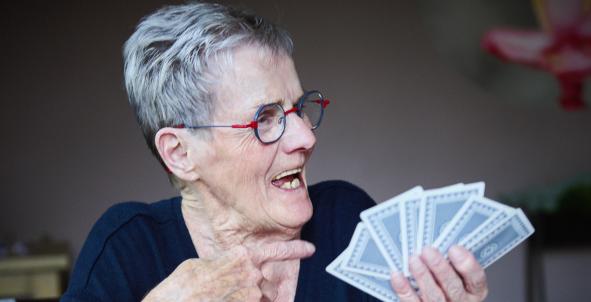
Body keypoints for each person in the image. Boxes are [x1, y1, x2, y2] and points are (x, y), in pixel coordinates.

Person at [61, 2, 489, 301]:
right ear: (180, 153)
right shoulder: (129, 247)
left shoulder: (345, 218)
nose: (305, 137)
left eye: (298, 109)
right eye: (265, 118)